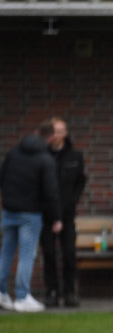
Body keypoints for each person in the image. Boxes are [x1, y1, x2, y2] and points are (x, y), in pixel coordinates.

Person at [0, 121, 61, 312]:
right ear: (51, 137)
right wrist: (56, 217)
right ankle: (22, 296)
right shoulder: (45, 159)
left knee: (6, 252)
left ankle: (1, 292)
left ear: (35, 132)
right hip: (30, 213)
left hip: (9, 210)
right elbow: (51, 191)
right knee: (27, 254)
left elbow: (2, 178)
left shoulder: (13, 153)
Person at [40, 117, 87, 308]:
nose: (57, 135)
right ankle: (51, 292)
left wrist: (72, 201)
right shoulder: (43, 156)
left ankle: (69, 292)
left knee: (69, 253)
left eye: (61, 131)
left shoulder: (74, 156)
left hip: (67, 213)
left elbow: (80, 182)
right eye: (55, 131)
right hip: (46, 214)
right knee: (49, 253)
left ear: (65, 133)